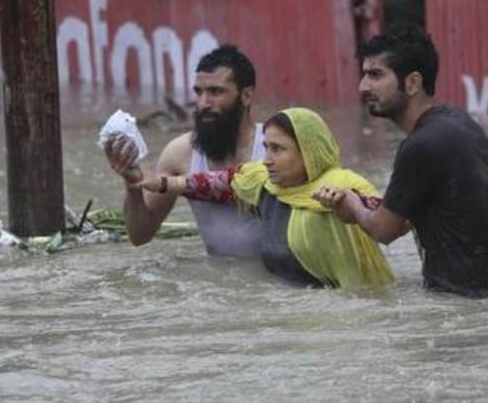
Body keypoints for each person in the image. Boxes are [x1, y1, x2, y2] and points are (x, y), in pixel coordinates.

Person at [314, 24, 488, 298]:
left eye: (375, 75)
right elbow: (409, 219)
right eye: (363, 75)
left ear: (412, 83)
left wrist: (352, 202)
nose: (363, 87)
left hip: (459, 302)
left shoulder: (420, 146)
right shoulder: (463, 125)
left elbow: (383, 230)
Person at [131, 108, 394, 289]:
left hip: (349, 306)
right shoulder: (263, 182)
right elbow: (213, 183)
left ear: (309, 152)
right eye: (266, 147)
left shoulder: (344, 185)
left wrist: (350, 205)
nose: (266, 159)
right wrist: (158, 183)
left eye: (278, 149)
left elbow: (388, 216)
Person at [105, 45, 263, 257]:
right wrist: (133, 184)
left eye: (215, 92)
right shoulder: (180, 153)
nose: (203, 103)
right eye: (199, 92)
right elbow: (140, 236)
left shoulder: (275, 146)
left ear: (246, 96)